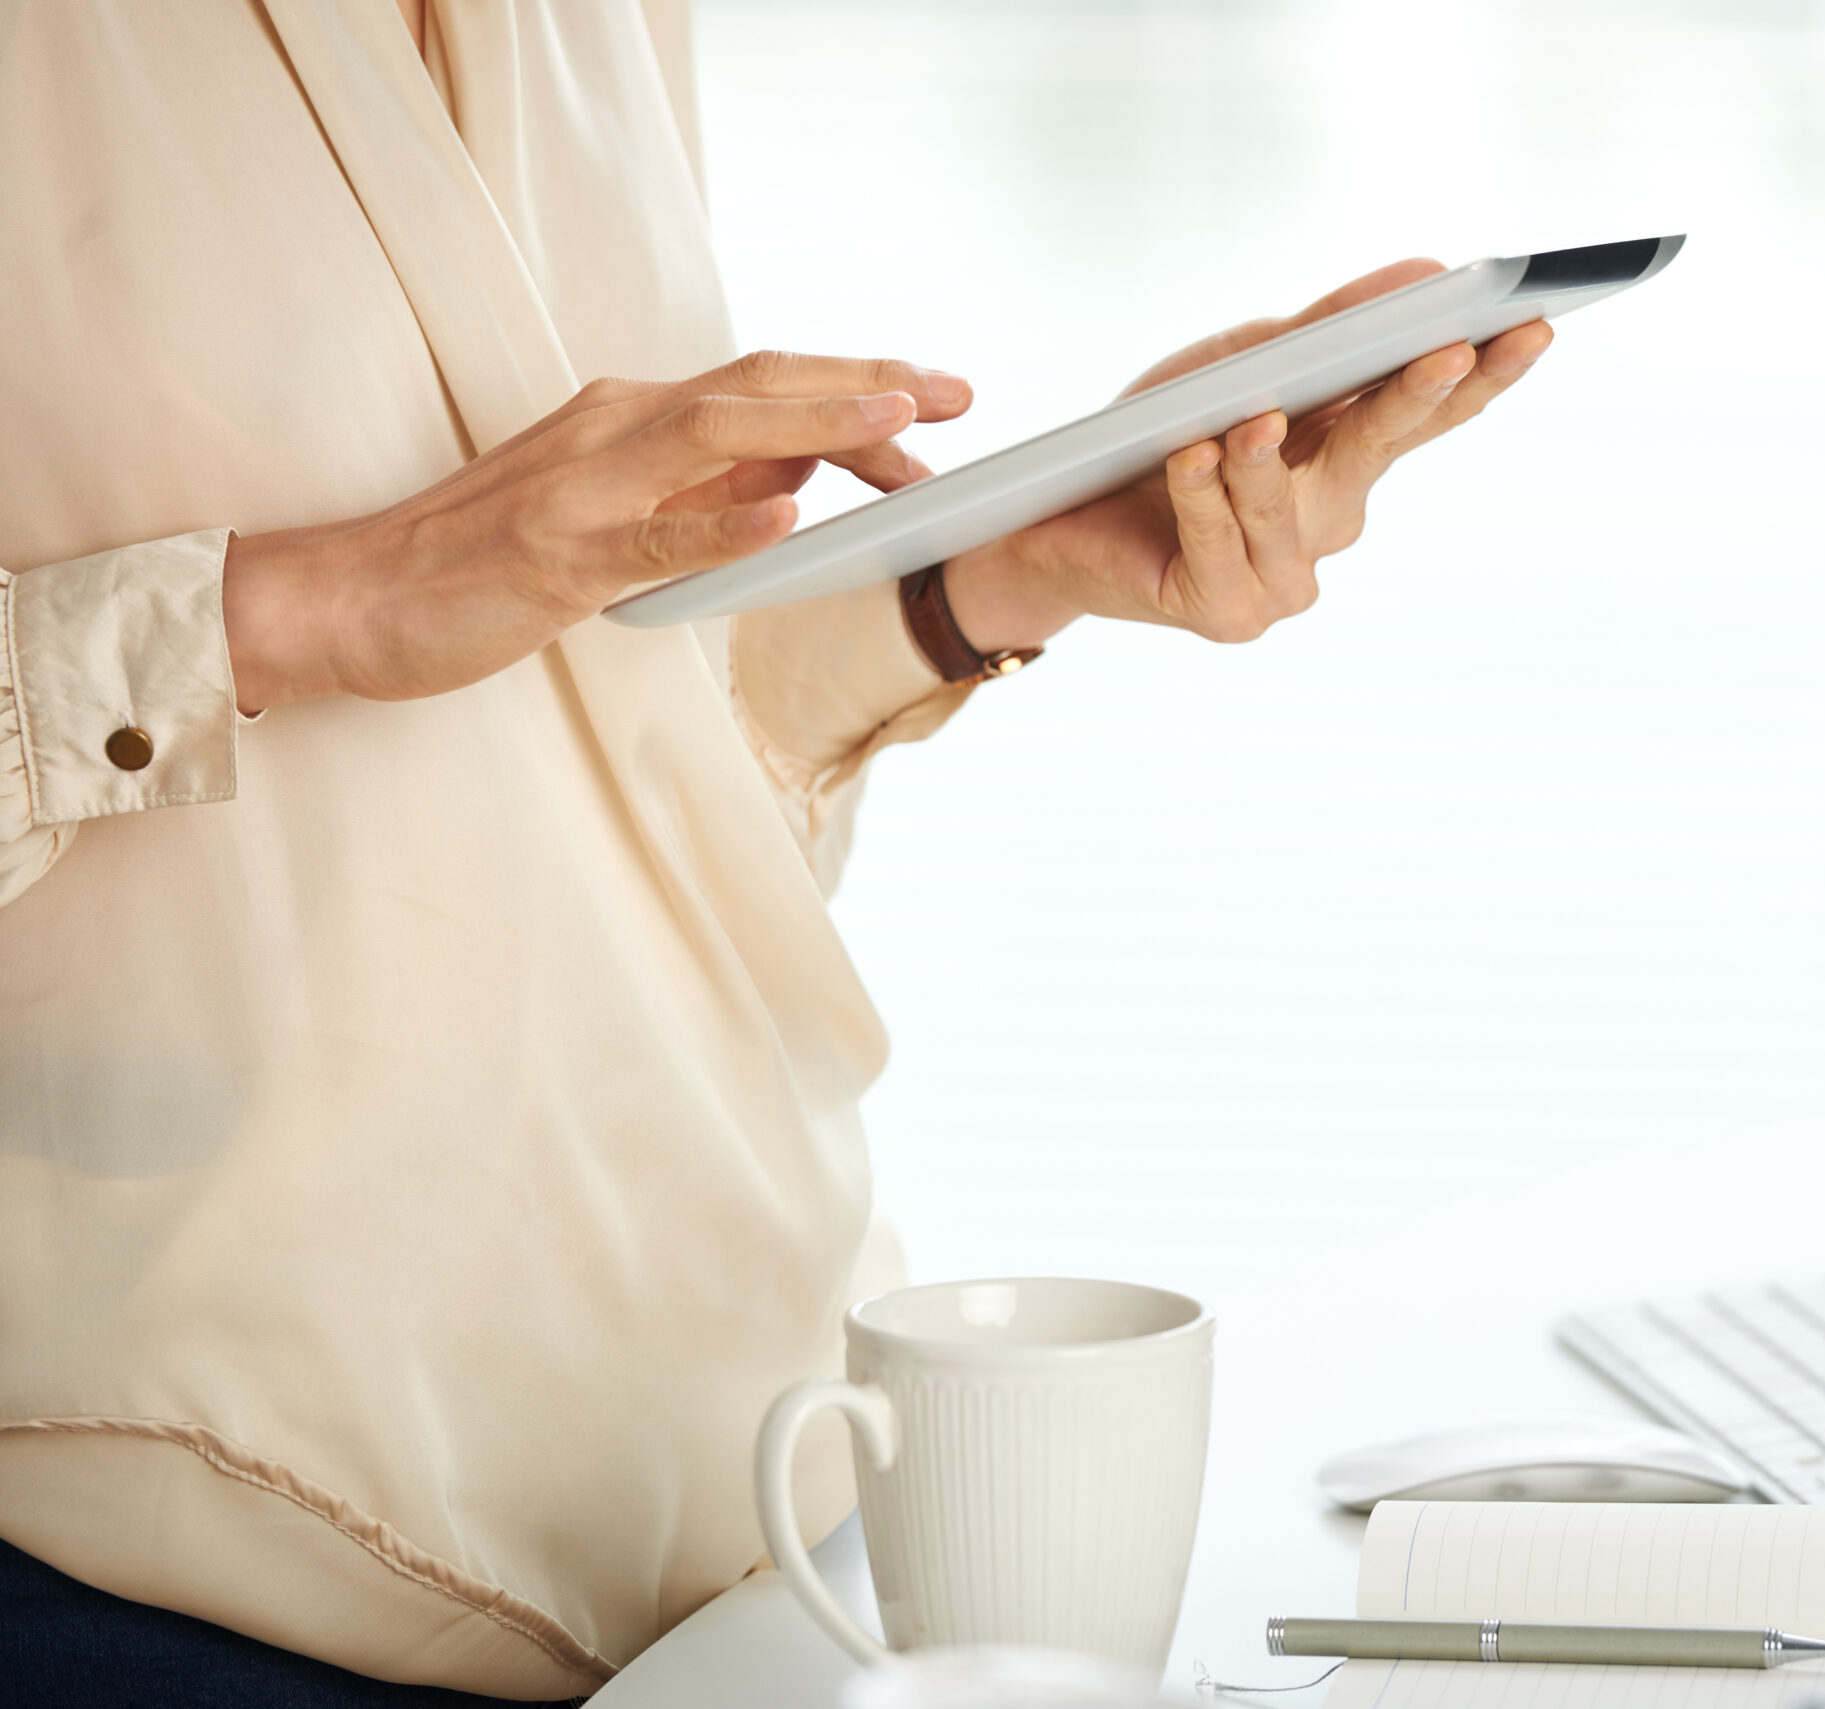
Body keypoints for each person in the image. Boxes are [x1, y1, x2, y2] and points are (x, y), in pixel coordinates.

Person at [0, 3, 1551, 1703]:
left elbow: (590, 773)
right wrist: (320, 599)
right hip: (181, 1589)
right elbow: (411, 611)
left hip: (771, 1524)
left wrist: (991, 579)